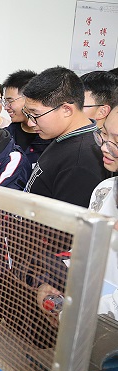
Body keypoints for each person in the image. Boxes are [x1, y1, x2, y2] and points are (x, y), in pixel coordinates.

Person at [37, 98, 118, 325]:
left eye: (117, 141)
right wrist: (53, 282)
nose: (105, 147)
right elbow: (85, 250)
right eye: (103, 134)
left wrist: (72, 312)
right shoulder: (104, 191)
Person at [22, 66, 109, 208]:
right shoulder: (63, 138)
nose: (30, 123)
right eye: (28, 114)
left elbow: (69, 219)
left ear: (66, 110)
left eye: (36, 115)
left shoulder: (81, 160)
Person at [3, 69, 48, 167]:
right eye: (5, 102)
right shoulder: (6, 136)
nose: (6, 107)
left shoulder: (50, 137)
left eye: (10, 101)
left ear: (29, 98)